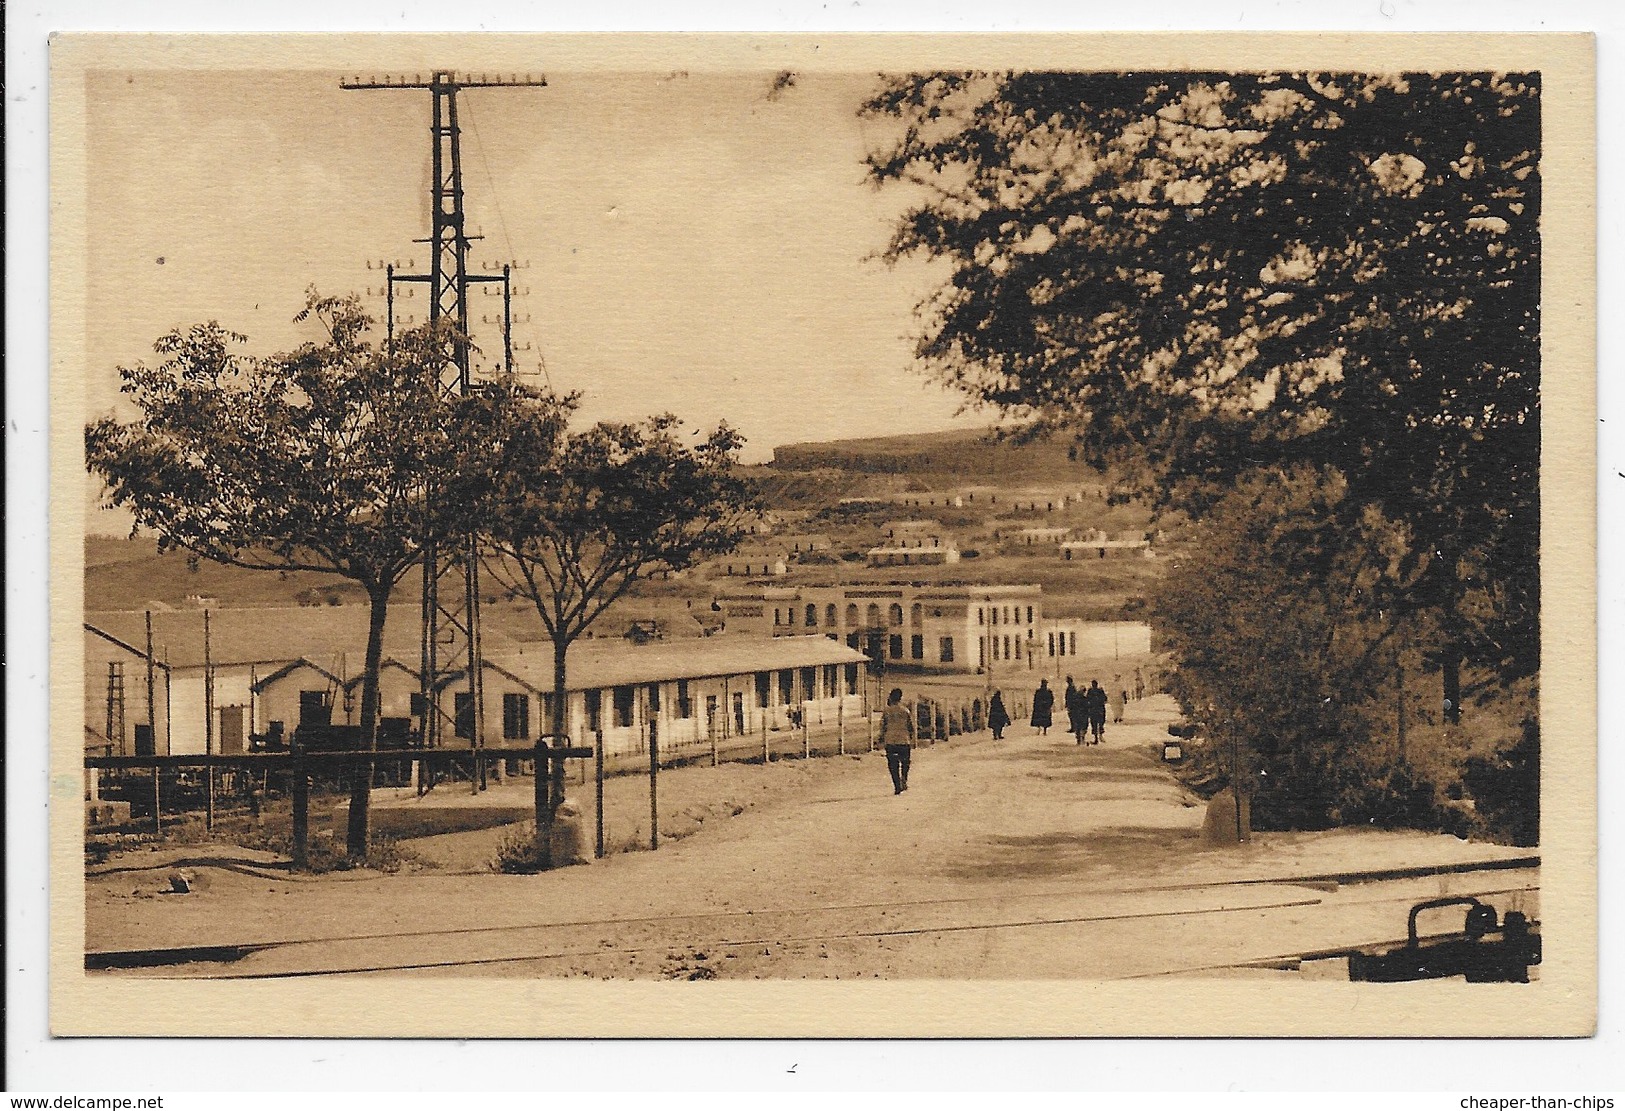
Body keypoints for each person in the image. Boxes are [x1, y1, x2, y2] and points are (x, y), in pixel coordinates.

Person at [878, 687, 916, 794]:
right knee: (905, 762)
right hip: (904, 741)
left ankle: (897, 785)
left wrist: (881, 738)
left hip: (890, 741)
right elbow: (911, 726)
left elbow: (882, 726)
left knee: (893, 764)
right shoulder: (905, 711)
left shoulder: (887, 711)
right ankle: (904, 779)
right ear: (900, 698)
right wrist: (911, 737)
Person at [1064, 676, 1085, 745]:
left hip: (1072, 704)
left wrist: (1069, 704)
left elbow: (1071, 697)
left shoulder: (1071, 687)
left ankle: (1074, 728)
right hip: (1071, 704)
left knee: (1072, 716)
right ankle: (1073, 728)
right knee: (1071, 716)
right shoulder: (1071, 687)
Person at [1086, 679, 1107, 743]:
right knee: (1100, 723)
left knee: (1094, 724)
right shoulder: (1100, 691)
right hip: (1100, 709)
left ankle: (1096, 738)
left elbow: (1087, 699)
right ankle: (1100, 736)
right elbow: (1105, 699)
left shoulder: (1090, 691)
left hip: (1093, 710)